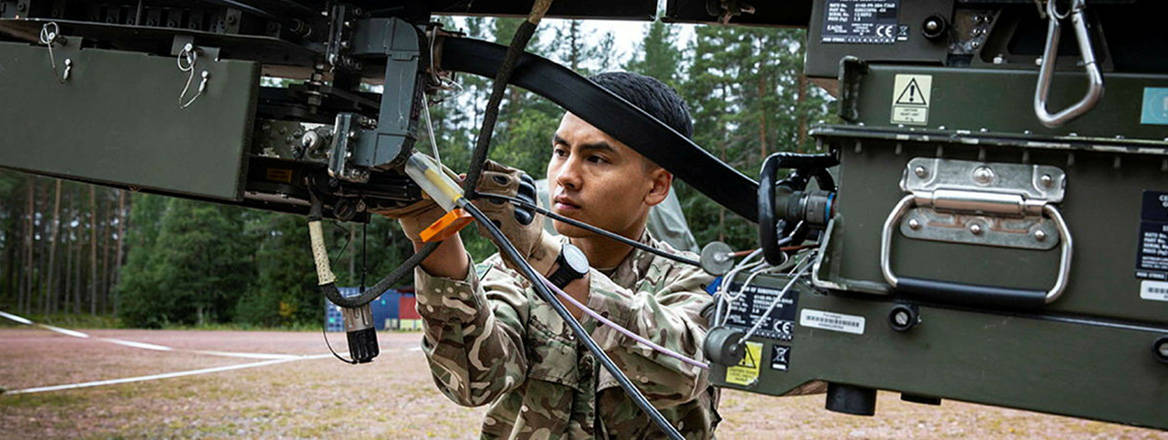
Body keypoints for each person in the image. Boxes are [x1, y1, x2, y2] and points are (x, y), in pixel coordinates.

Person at [380, 72, 718, 439]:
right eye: (560, 152)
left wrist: (539, 253)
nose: (566, 176)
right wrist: (430, 231)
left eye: (597, 159)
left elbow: (686, 369)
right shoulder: (511, 274)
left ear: (656, 186)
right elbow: (471, 383)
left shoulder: (687, 279)